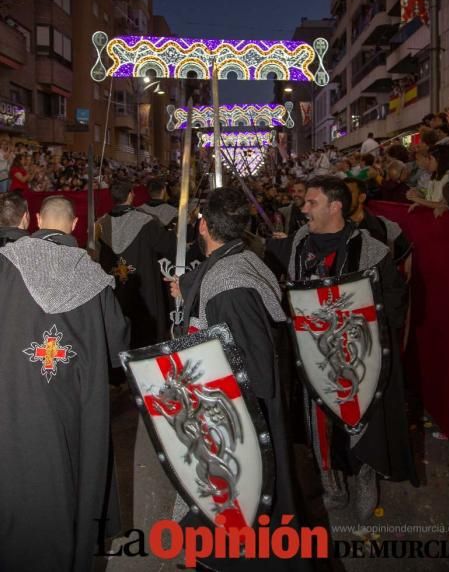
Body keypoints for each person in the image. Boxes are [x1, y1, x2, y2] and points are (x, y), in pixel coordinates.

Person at [168, 187, 311, 571]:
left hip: (240, 423)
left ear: (202, 225)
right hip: (231, 414)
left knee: (244, 513)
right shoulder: (241, 258)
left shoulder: (231, 289)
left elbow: (255, 371)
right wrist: (188, 290)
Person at [266, 176, 417, 521]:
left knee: (359, 419)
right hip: (312, 356)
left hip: (356, 357)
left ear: (335, 206)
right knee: (317, 424)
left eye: (311, 203)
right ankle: (331, 484)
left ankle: (365, 478)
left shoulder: (370, 250)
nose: (303, 209)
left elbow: (394, 304)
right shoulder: (296, 245)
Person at [0, 196, 130, 572]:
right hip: (73, 402)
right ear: (73, 226)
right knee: (72, 476)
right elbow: (117, 348)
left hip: (15, 398)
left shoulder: (7, 263)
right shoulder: (93, 277)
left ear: (35, 220)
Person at [96, 179, 176, 346]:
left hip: (116, 289)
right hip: (144, 291)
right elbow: (167, 246)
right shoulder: (146, 221)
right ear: (131, 195)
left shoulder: (101, 224)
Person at [345, 178, 412, 263]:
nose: (342, 199)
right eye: (340, 194)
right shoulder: (331, 226)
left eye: (348, 193)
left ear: (361, 197)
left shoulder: (386, 226)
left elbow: (405, 258)